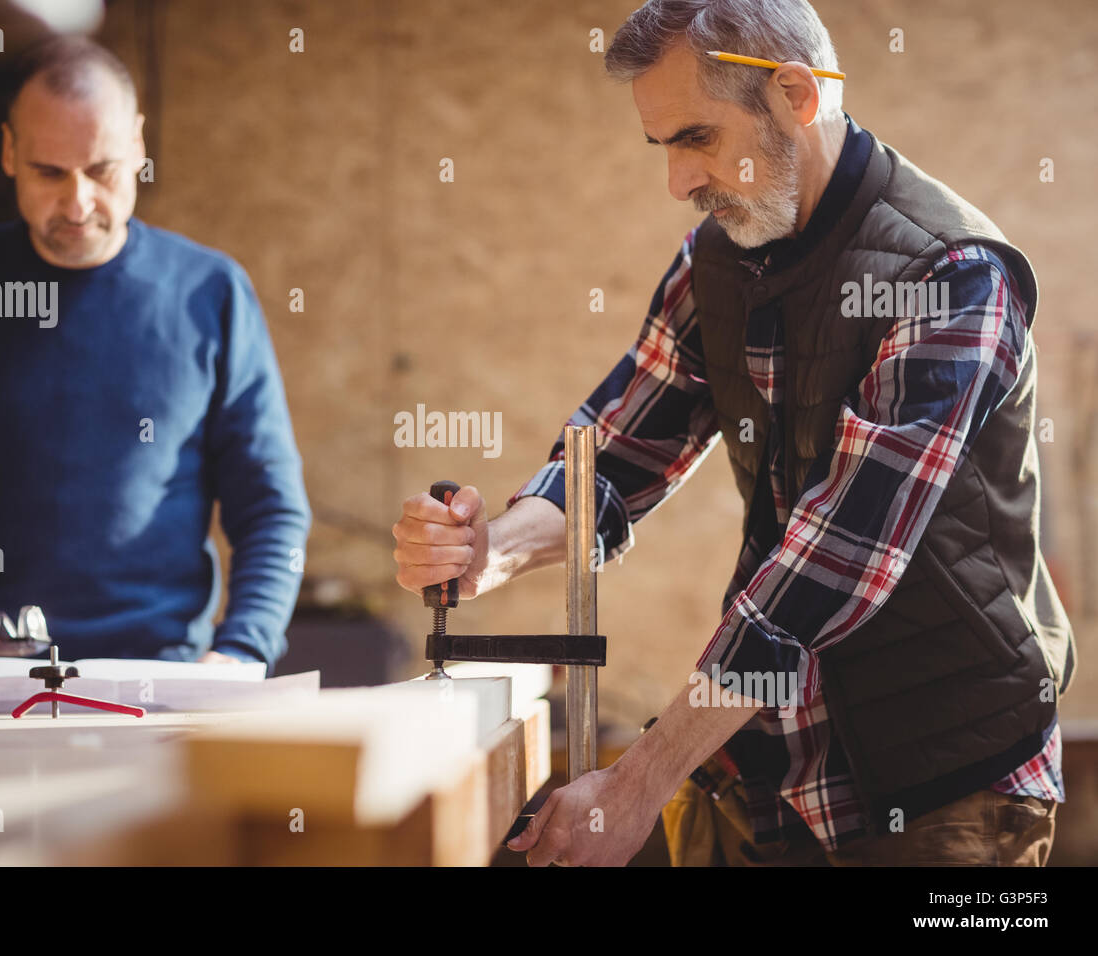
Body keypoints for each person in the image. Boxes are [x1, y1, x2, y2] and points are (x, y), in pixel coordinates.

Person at [392, 0, 1074, 866]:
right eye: (665, 148)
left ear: (795, 95)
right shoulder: (715, 259)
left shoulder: (949, 276)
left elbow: (836, 560)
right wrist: (493, 548)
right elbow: (616, 452)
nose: (678, 181)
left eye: (697, 140)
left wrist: (638, 780)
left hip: (944, 788)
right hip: (775, 772)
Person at [0, 36, 310, 670]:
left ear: (138, 145)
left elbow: (273, 508)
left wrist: (243, 648)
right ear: (8, 153)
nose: (79, 202)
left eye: (102, 169)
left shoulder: (210, 293)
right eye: (50, 172)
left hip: (159, 679)